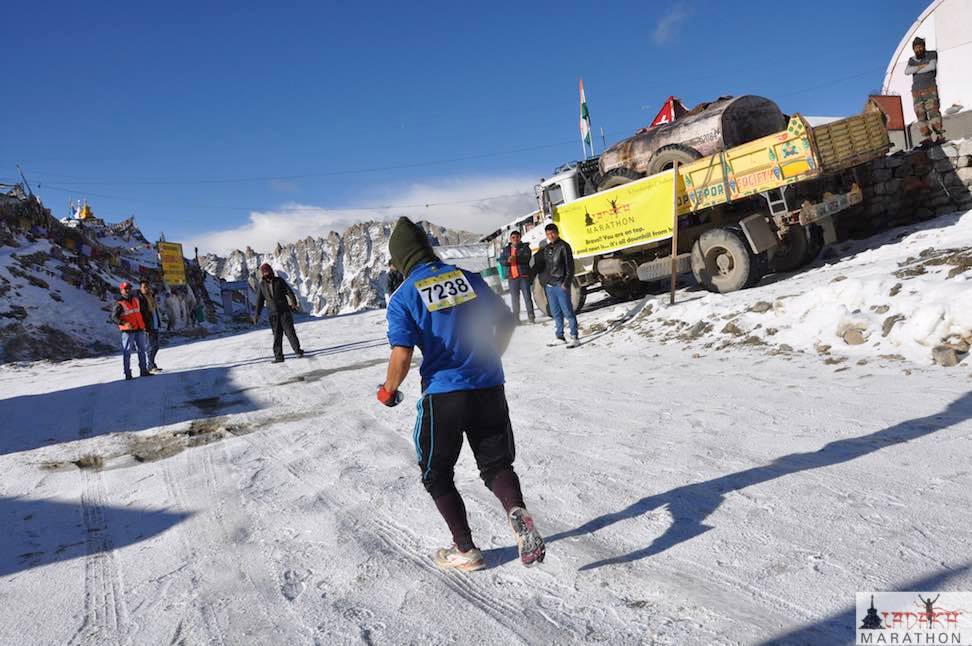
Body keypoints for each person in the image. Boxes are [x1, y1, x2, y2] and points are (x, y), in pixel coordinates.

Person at [378, 216, 545, 572]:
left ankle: (465, 549)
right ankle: (516, 511)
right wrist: (490, 356)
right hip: (489, 386)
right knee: (497, 464)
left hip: (445, 395)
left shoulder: (404, 296)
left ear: (400, 259)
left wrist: (388, 391)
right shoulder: (468, 278)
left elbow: (402, 354)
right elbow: (507, 320)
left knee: (436, 473)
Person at [536, 223, 579, 347]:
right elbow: (544, 266)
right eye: (548, 234)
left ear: (557, 232)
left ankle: (574, 336)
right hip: (550, 286)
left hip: (561, 284)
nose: (551, 236)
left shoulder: (564, 247)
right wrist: (544, 282)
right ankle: (560, 336)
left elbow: (570, 267)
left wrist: (566, 283)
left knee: (568, 311)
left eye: (553, 233)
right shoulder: (547, 248)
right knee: (556, 313)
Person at [253, 263, 304, 363]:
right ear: (262, 274)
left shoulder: (279, 281)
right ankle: (278, 357)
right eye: (264, 273)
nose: (266, 274)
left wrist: (293, 301)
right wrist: (257, 315)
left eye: (268, 272)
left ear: (271, 271)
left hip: (284, 311)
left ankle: (298, 351)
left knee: (290, 332)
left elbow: (289, 291)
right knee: (277, 335)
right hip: (273, 314)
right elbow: (259, 301)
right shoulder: (262, 286)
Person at [905, 36, 945, 145]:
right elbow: (907, 71)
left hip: (929, 88)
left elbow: (931, 67)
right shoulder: (911, 59)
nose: (918, 49)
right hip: (916, 91)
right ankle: (927, 138)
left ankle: (939, 135)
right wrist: (921, 66)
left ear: (924, 46)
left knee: (933, 112)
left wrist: (917, 69)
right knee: (920, 115)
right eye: (916, 47)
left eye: (920, 46)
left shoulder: (931, 54)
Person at [111, 281, 152, 381]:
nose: (128, 290)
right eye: (125, 288)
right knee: (127, 352)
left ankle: (143, 370)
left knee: (142, 350)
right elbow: (114, 317)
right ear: (121, 290)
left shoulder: (136, 300)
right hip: (128, 331)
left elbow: (142, 313)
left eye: (129, 288)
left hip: (139, 329)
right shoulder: (119, 303)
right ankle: (128, 373)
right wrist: (124, 323)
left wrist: (146, 325)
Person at [498, 230, 535, 324]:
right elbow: (501, 261)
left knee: (527, 297)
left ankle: (531, 317)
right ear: (510, 239)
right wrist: (507, 260)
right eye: (513, 237)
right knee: (514, 299)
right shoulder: (506, 249)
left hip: (523, 276)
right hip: (512, 278)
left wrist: (516, 258)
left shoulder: (525, 247)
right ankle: (516, 319)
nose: (515, 239)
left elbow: (527, 258)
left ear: (520, 238)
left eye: (517, 237)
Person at [138, 281, 162, 372]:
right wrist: (145, 326)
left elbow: (154, 311)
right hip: (149, 325)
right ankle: (150, 365)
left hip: (154, 323)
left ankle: (152, 364)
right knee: (151, 346)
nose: (146, 288)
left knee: (156, 346)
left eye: (147, 286)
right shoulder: (141, 299)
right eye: (144, 287)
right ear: (140, 288)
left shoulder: (151, 297)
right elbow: (142, 314)